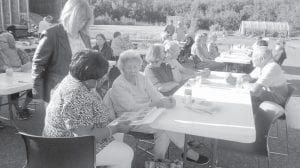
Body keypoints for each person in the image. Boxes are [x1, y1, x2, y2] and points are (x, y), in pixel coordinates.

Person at [109, 50, 209, 164]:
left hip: (148, 113)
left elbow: (155, 94)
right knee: (164, 128)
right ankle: (181, 154)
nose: (133, 70)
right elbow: (132, 108)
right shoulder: (118, 84)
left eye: (136, 67)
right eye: (129, 67)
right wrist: (156, 104)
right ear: (122, 68)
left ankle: (158, 161)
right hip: (130, 120)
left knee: (170, 119)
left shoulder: (142, 77)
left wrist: (165, 100)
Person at [43, 50, 134, 168]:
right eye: (101, 77)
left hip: (62, 140)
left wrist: (113, 125)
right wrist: (115, 128)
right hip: (68, 147)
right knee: (125, 154)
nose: (104, 78)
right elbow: (86, 136)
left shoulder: (72, 79)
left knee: (123, 138)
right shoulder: (77, 95)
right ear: (88, 79)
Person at [32, 0, 92, 103]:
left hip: (81, 91)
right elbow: (38, 64)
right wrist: (38, 93)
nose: (83, 23)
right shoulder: (51, 34)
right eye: (80, 19)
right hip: (57, 92)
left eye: (85, 20)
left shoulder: (85, 37)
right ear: (69, 15)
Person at [0, 31, 32, 119]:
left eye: (2, 41)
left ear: (9, 42)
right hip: (7, 78)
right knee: (13, 92)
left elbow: (28, 65)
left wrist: (18, 70)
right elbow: (3, 68)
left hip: (22, 76)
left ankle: (24, 107)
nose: (0, 43)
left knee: (33, 89)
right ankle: (18, 110)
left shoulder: (19, 51)